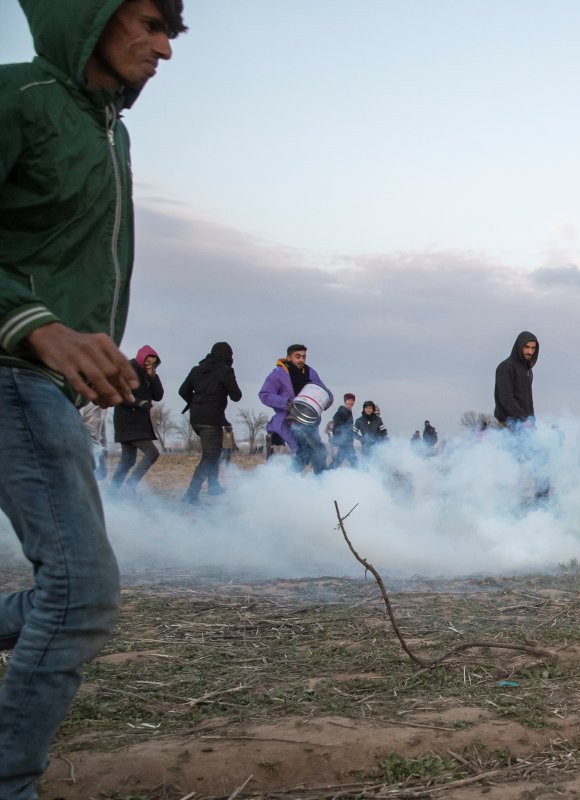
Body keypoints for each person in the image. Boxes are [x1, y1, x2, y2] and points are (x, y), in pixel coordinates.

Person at [0, 1, 186, 794]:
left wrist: (89, 353)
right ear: (88, 12)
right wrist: (40, 328)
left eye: (172, 32)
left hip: (44, 379)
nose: (163, 49)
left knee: (71, 591)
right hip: (12, 367)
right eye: (147, 23)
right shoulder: (19, 99)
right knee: (81, 595)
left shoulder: (112, 130)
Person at [178, 342, 242, 503]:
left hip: (196, 419)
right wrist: (230, 377)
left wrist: (195, 403)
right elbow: (236, 396)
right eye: (231, 355)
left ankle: (213, 486)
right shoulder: (225, 371)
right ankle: (191, 494)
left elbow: (182, 391)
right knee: (209, 457)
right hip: (211, 420)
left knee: (214, 453)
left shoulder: (197, 370)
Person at [259, 344, 331, 473]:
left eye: (304, 357)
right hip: (289, 421)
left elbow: (324, 391)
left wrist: (327, 400)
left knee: (320, 453)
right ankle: (287, 480)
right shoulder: (279, 374)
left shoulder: (310, 373)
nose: (301, 360)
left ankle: (322, 486)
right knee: (304, 453)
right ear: (288, 357)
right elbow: (264, 394)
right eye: (297, 357)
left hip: (310, 423)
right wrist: (286, 402)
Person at [110, 345, 164, 493]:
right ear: (142, 358)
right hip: (127, 421)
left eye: (153, 362)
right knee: (152, 453)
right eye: (148, 361)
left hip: (139, 423)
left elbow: (158, 395)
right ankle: (131, 485)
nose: (150, 364)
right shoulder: (129, 369)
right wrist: (138, 402)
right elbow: (119, 394)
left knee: (127, 461)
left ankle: (112, 493)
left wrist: (153, 378)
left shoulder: (150, 375)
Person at [494, 331, 538, 428]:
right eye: (526, 347)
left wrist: (532, 420)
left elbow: (528, 400)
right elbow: (505, 398)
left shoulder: (528, 371)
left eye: (533, 348)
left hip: (526, 426)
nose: (530, 352)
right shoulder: (506, 367)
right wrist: (523, 418)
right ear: (519, 346)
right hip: (508, 427)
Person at [79, 403, 109, 480]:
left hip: (96, 446)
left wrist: (105, 446)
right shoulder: (85, 405)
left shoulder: (103, 408)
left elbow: (102, 429)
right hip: (84, 443)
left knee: (101, 474)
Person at [328, 393, 357, 469]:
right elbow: (337, 429)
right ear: (345, 401)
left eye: (352, 400)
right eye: (349, 400)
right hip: (345, 442)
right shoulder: (341, 412)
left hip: (346, 441)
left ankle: (325, 474)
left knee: (338, 461)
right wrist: (340, 440)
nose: (351, 402)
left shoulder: (348, 412)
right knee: (353, 461)